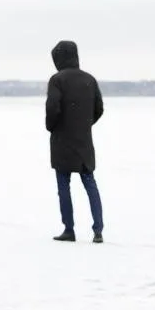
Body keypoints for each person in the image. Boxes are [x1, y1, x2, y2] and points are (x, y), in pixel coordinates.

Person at [46, 40, 105, 243]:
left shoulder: (57, 80)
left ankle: (69, 229)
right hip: (84, 141)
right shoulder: (90, 79)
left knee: (64, 185)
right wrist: (84, 124)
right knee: (90, 182)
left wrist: (53, 126)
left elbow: (53, 109)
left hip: (62, 141)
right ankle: (98, 230)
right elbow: (99, 109)